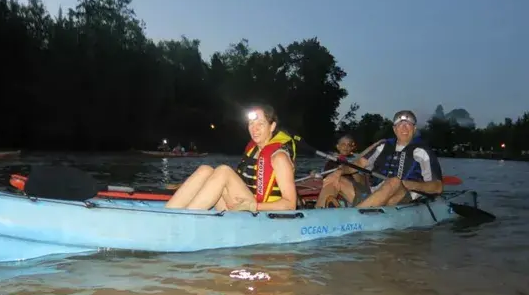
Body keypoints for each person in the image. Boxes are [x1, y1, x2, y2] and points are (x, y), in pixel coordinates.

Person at [165, 104, 297, 211]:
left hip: (261, 215)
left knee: (224, 171)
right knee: (206, 170)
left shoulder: (279, 158)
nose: (254, 129)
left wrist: (253, 206)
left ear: (272, 126)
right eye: (251, 123)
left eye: (260, 124)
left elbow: (290, 205)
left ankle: (184, 221)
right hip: (240, 207)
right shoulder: (254, 150)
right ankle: (169, 213)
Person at [318, 110, 443, 208]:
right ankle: (319, 214)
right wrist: (339, 172)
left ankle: (355, 216)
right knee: (334, 178)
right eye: (400, 125)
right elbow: (359, 163)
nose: (404, 128)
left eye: (408, 125)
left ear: (414, 129)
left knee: (394, 181)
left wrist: (408, 184)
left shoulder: (423, 151)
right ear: (394, 129)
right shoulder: (383, 146)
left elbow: (437, 187)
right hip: (373, 194)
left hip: (401, 197)